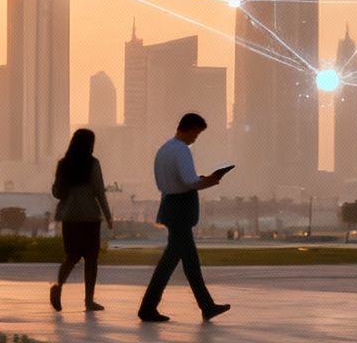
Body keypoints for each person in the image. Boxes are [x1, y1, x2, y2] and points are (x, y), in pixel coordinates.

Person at [137, 113, 233, 324]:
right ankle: (202, 306)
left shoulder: (164, 150)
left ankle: (152, 307)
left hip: (170, 205)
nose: (195, 138)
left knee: (179, 261)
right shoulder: (182, 151)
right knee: (186, 262)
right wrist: (210, 181)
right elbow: (189, 181)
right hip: (181, 208)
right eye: (196, 133)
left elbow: (169, 182)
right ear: (189, 129)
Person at [49, 128, 114, 313]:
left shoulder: (64, 164)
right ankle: (88, 300)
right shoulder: (93, 164)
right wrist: (108, 216)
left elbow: (56, 192)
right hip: (89, 218)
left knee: (72, 256)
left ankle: (58, 286)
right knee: (91, 259)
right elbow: (100, 192)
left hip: (69, 217)